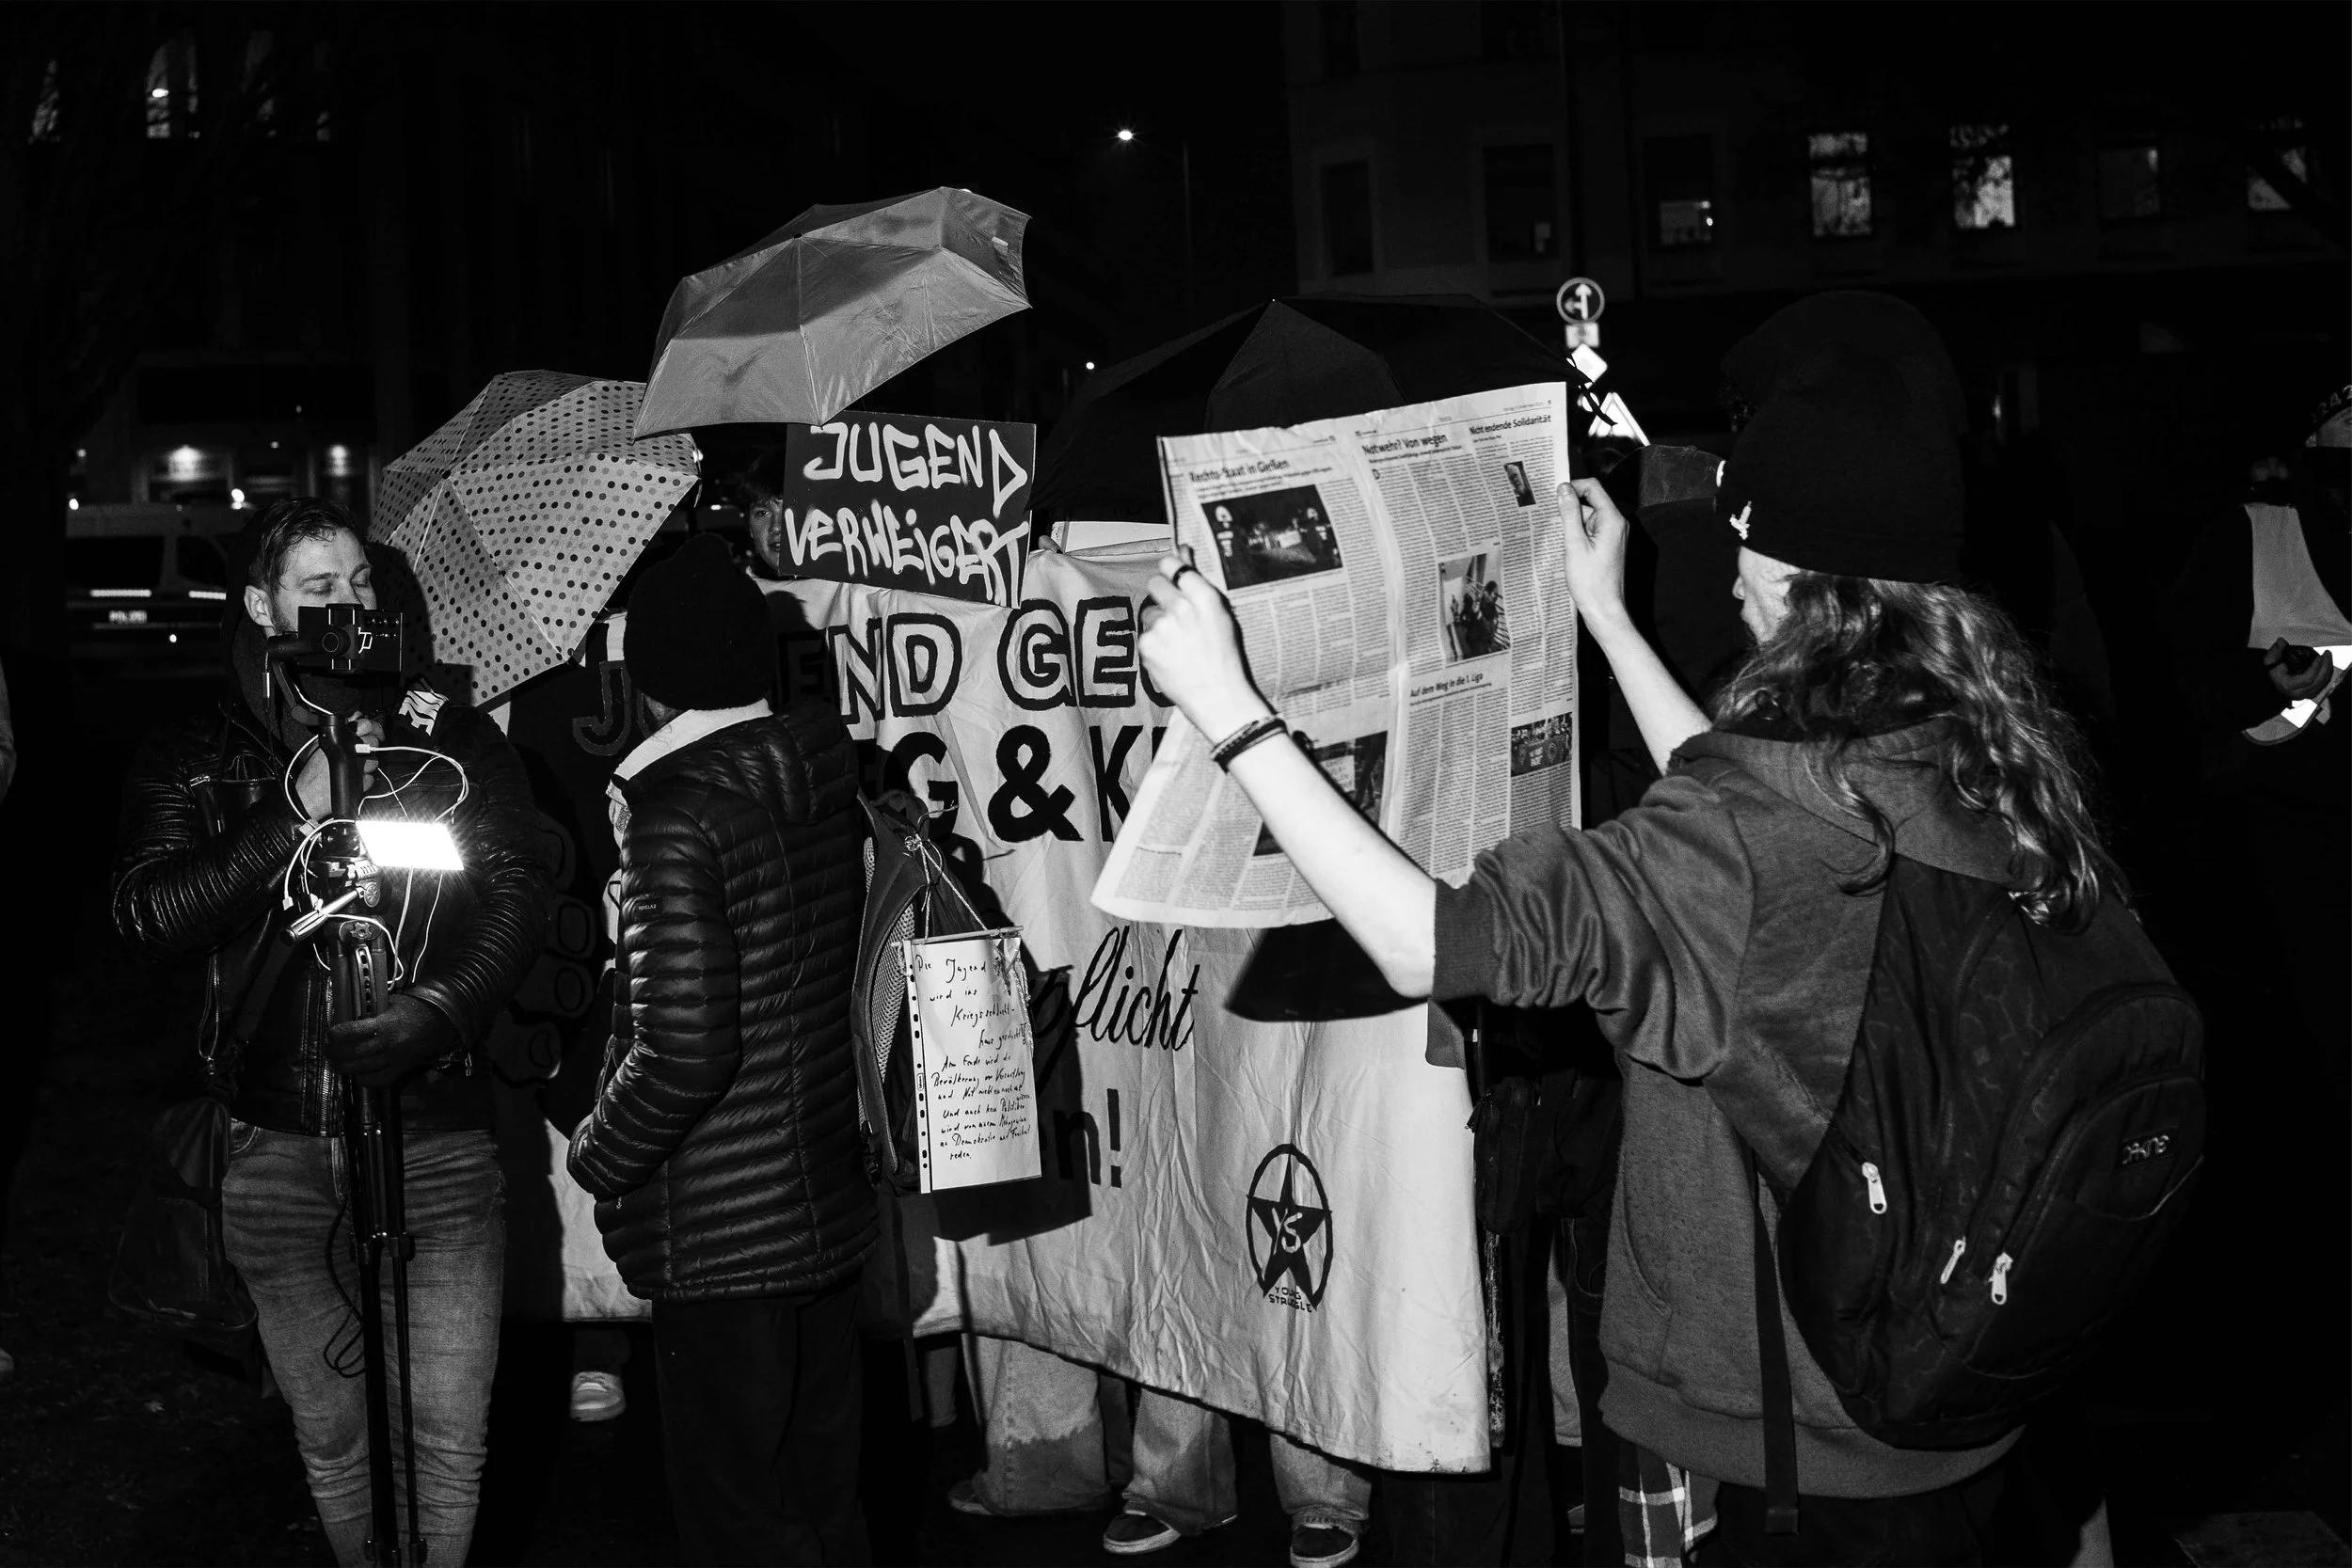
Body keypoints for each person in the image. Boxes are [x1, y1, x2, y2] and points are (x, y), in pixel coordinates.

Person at [1137, 344, 2106, 1565]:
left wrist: (1230, 710)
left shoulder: (1745, 838)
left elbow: (1431, 934)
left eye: (1746, 564)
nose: (1733, 595)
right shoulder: (1978, 757)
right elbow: (1750, 812)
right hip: (1955, 1412)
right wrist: (1602, 613)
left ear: (1810, 589)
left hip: (1766, 1441)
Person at [112, 498, 550, 1566]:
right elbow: (147, 918)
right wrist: (289, 815)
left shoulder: (446, 733)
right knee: (335, 1436)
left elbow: (519, 887)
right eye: (318, 589)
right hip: (276, 1153)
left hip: (438, 1138)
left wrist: (436, 1011)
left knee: (448, 1436)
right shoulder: (193, 751)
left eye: (359, 584)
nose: (348, 606)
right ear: (262, 606)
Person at [566, 532, 876, 1565]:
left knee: (739, 1518)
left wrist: (597, 1154)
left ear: (647, 679)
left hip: (718, 1227)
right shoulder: (818, 773)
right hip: (822, 1198)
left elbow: (687, 1049)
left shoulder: (677, 815)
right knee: (825, 1497)